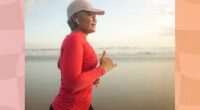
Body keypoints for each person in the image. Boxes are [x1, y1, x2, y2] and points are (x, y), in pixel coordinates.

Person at [50, 0, 117, 110]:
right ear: (76, 19)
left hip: (83, 105)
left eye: (95, 15)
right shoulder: (74, 39)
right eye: (90, 14)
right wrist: (103, 68)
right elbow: (72, 84)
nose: (95, 18)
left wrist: (91, 78)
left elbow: (61, 66)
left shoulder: (78, 39)